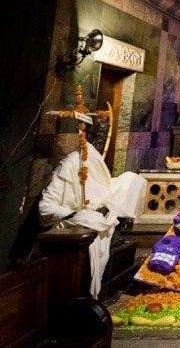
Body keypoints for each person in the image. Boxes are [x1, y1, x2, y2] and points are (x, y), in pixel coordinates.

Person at [38, 125, 147, 298]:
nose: (99, 143)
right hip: (73, 222)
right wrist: (77, 214)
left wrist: (98, 208)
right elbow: (46, 207)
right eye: (96, 138)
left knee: (131, 180)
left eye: (102, 138)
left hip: (94, 218)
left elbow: (100, 191)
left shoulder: (95, 164)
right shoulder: (69, 165)